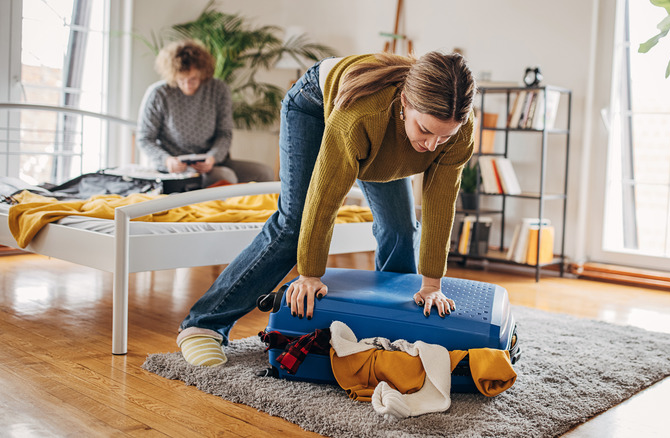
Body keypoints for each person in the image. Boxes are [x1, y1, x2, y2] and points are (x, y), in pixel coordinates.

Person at [176, 51, 476, 367]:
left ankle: (392, 328)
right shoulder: (362, 116)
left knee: (401, 228)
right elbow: (325, 198)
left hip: (383, 133)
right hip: (315, 105)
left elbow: (439, 207)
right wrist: (310, 273)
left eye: (445, 136)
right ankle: (204, 325)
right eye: (425, 131)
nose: (432, 145)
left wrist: (431, 285)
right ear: (405, 103)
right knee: (295, 223)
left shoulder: (458, 131)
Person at [137, 39, 274, 187]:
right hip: (174, 168)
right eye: (181, 80)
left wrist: (212, 158)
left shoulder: (219, 89)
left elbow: (224, 133)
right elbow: (145, 138)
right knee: (225, 176)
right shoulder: (158, 93)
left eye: (193, 79)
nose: (187, 85)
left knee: (264, 173)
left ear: (203, 73)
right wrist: (167, 160)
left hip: (212, 163)